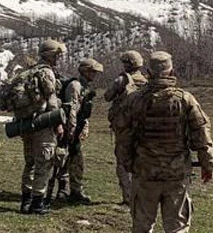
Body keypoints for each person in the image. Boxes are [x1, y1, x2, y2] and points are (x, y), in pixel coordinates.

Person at [115, 51, 213, 233]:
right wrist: (208, 164)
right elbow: (202, 134)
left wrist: (127, 163)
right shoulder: (185, 99)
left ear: (149, 72)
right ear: (171, 71)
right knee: (177, 227)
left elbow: (123, 136)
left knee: (142, 226)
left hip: (145, 172)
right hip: (176, 174)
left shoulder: (134, 100)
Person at [18, 39, 65, 215]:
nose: (58, 59)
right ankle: (37, 203)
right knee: (44, 162)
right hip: (43, 124)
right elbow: (52, 101)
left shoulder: (30, 71)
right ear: (51, 55)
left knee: (29, 162)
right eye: (57, 55)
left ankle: (25, 201)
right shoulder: (47, 73)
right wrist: (58, 124)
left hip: (27, 123)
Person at [54, 57, 103, 204]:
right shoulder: (75, 86)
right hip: (68, 127)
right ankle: (62, 190)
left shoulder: (85, 87)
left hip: (76, 128)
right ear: (85, 71)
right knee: (62, 158)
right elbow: (72, 110)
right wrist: (71, 131)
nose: (94, 75)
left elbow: (84, 111)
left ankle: (75, 190)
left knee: (75, 160)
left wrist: (85, 126)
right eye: (92, 72)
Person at [105, 50, 147, 204]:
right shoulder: (145, 81)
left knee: (123, 162)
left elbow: (107, 96)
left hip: (124, 128)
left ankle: (128, 197)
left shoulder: (122, 80)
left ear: (129, 64)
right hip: (141, 127)